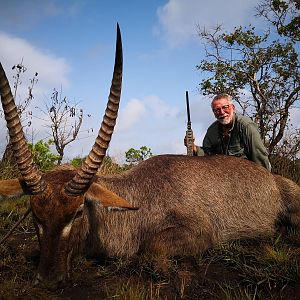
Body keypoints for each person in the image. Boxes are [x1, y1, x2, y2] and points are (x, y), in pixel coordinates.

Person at [185, 94, 271, 171]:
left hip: (246, 175)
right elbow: (208, 155)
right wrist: (193, 147)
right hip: (224, 176)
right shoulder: (212, 130)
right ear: (214, 113)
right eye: (217, 110)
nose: (222, 112)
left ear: (233, 108)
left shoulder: (246, 126)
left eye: (225, 107)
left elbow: (259, 156)